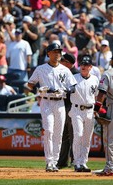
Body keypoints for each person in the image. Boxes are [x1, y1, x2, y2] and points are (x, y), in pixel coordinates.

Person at [27, 43, 77, 172]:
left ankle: (54, 162)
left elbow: (73, 86)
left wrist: (65, 89)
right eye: (55, 51)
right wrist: (39, 90)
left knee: (58, 134)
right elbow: (29, 85)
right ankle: (49, 162)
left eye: (59, 52)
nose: (58, 54)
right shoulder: (40, 68)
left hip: (60, 103)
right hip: (47, 102)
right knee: (49, 131)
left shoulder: (65, 70)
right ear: (48, 53)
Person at [68, 55, 99, 172]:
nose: (83, 66)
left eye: (86, 65)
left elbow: (96, 95)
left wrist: (97, 110)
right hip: (76, 110)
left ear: (90, 67)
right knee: (78, 135)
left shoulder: (95, 79)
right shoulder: (73, 78)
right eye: (82, 64)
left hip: (90, 111)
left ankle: (83, 163)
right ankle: (76, 162)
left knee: (87, 138)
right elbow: (67, 89)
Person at [57, 52, 80, 169]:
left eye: (63, 60)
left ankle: (75, 160)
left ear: (68, 63)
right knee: (64, 135)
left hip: (73, 106)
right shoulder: (63, 71)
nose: (60, 62)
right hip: (64, 105)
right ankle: (62, 161)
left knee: (73, 134)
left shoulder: (76, 74)